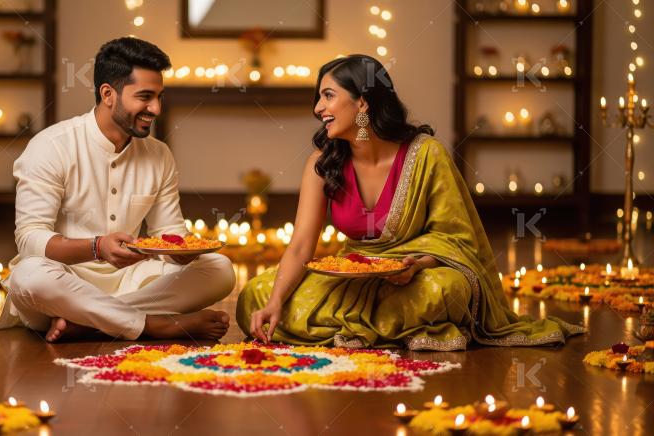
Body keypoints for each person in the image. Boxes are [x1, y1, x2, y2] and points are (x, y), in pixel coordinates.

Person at [237, 55, 584, 350]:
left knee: (446, 290)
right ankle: (390, 329)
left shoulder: (426, 155)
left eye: (328, 96)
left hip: (414, 278)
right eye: (319, 98)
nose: (318, 108)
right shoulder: (322, 162)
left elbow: (456, 238)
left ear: (362, 102)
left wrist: (418, 263)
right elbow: (300, 246)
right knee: (256, 293)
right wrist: (275, 301)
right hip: (351, 278)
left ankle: (354, 327)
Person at [0, 37, 235, 342]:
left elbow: (168, 231)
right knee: (28, 276)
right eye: (145, 97)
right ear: (108, 94)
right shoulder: (50, 146)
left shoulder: (159, 154)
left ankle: (89, 323)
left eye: (160, 97)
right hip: (63, 283)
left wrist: (182, 251)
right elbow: (30, 239)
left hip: (133, 281)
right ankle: (153, 325)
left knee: (219, 269)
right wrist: (96, 247)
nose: (156, 108)